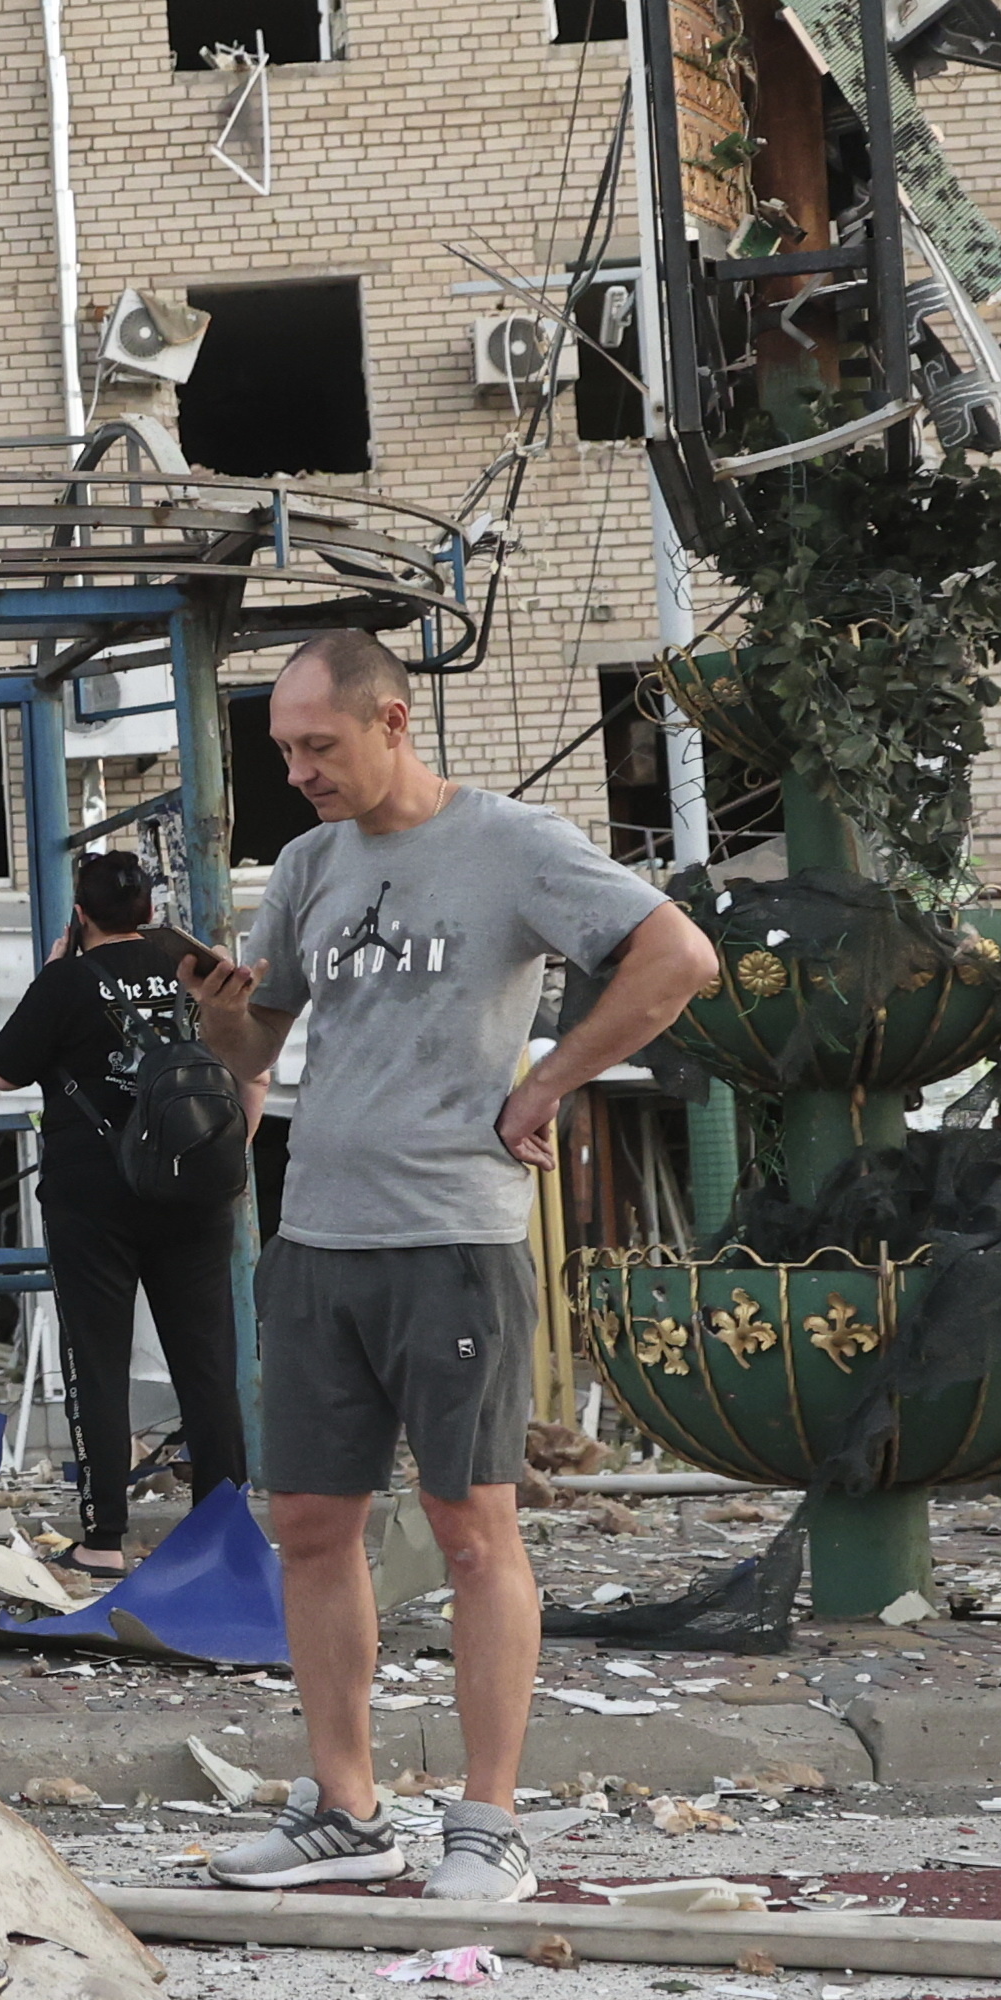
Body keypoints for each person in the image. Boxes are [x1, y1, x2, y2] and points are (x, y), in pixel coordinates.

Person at [178, 630, 719, 1909]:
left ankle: (487, 1822)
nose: (299, 770)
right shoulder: (308, 864)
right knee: (310, 1526)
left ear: (394, 722)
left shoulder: (511, 844)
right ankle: (344, 1809)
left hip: (453, 1238)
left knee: (474, 1529)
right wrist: (219, 1011)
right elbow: (262, 1031)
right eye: (285, 750)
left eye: (320, 745)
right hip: (317, 1234)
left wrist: (549, 1079)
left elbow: (677, 958)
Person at [0, 847, 251, 1566]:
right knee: (207, 1364)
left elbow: (2, 1072)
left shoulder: (67, 980)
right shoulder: (191, 974)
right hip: (193, 1192)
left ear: (79, 915)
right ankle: (221, 1533)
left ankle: (104, 1540)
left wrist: (53, 976)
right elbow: (243, 1060)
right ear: (150, 914)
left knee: (98, 1365)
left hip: (92, 1200)